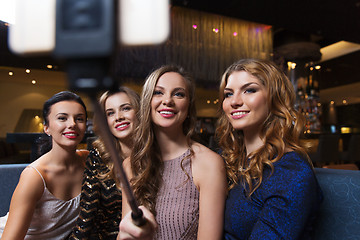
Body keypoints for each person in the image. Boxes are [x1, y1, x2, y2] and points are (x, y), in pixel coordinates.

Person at [216, 58, 323, 239]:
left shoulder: (290, 172)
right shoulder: (227, 159)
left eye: (249, 90)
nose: (234, 101)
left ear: (274, 98)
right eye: (228, 94)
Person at [119, 65, 227, 240]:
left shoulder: (209, 164)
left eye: (179, 94)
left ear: (189, 106)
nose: (167, 100)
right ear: (148, 102)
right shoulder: (131, 165)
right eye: (158, 92)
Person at [0, 91, 89, 239]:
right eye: (62, 118)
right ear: (46, 128)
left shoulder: (88, 159)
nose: (72, 124)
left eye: (79, 119)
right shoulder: (34, 176)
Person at [67, 86, 140, 239]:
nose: (118, 117)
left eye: (126, 108)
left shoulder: (156, 154)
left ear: (140, 112)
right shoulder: (98, 155)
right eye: (110, 113)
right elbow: (87, 214)